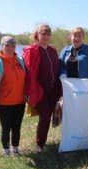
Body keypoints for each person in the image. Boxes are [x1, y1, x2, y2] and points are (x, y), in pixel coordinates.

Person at [22, 24, 62, 152]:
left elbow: (57, 69)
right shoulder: (31, 51)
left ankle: (50, 141)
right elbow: (28, 73)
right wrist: (28, 92)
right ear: (37, 35)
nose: (46, 37)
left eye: (48, 34)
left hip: (54, 89)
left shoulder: (52, 50)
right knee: (44, 116)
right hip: (40, 91)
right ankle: (40, 144)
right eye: (43, 34)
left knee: (52, 115)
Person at [0, 36, 26, 156]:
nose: (10, 48)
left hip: (20, 100)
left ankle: (15, 149)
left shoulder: (20, 60)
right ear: (2, 46)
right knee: (6, 128)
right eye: (7, 45)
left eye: (13, 46)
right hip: (4, 102)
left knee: (17, 127)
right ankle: (6, 151)